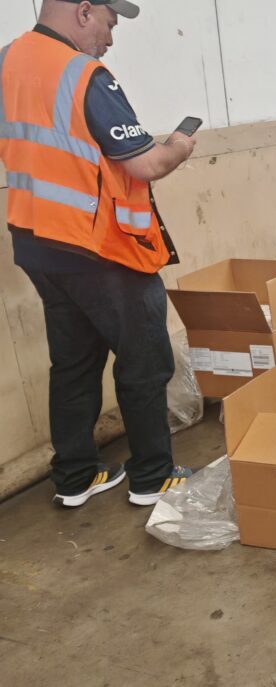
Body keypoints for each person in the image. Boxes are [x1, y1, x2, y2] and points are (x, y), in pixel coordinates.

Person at [0, 0, 197, 508]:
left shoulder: (6, 61)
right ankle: (152, 477)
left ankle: (75, 476)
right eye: (109, 24)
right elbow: (146, 164)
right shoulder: (85, 75)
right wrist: (178, 145)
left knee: (73, 361)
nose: (109, 39)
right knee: (144, 360)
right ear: (85, 11)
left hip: (37, 242)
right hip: (100, 248)